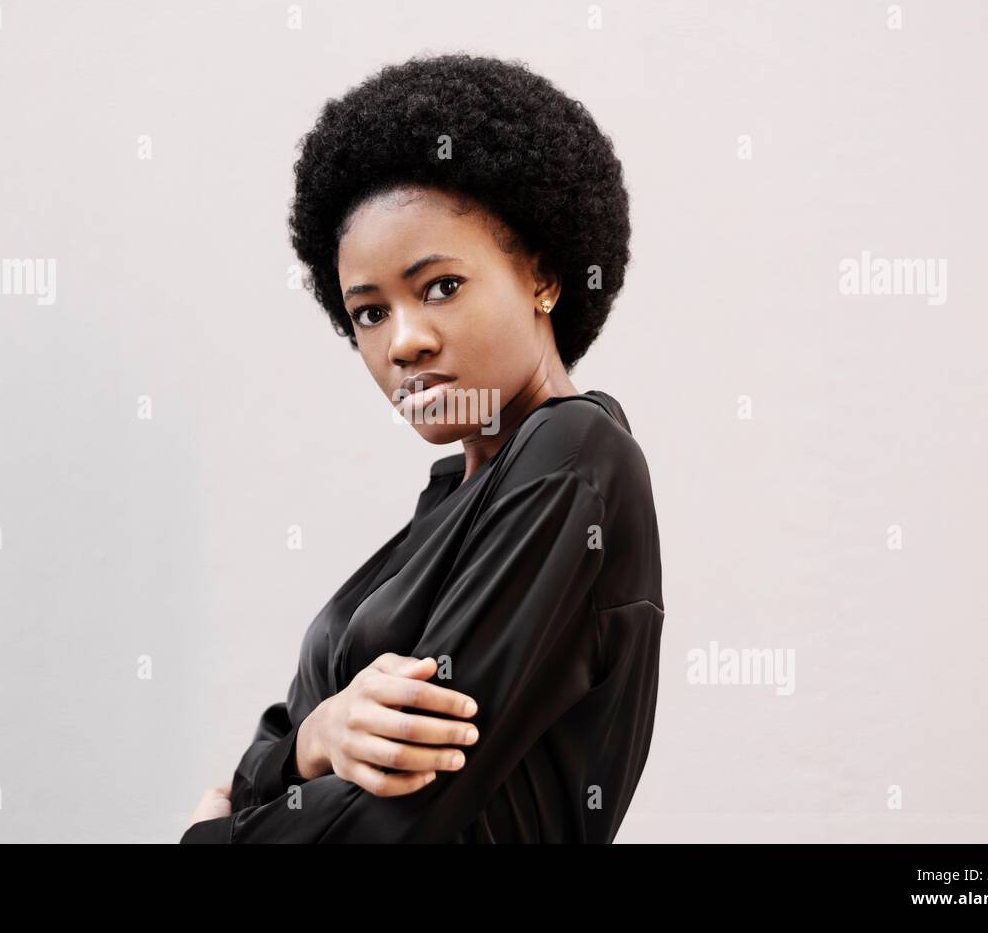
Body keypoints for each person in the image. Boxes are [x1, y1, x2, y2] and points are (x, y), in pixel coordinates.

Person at [183, 52, 664, 842]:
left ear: (541, 275)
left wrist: (215, 838)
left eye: (441, 286)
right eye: (369, 313)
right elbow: (273, 746)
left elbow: (407, 807)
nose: (403, 342)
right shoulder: (442, 512)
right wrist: (312, 742)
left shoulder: (574, 457)